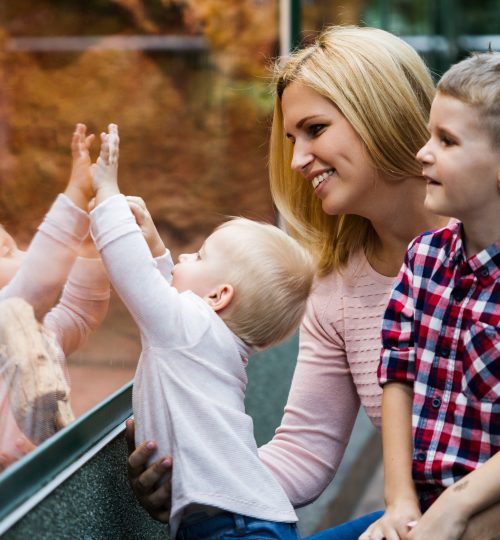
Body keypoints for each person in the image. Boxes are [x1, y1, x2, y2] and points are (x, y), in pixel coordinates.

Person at [124, 26, 500, 539]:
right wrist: (201, 478)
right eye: (291, 139)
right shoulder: (336, 288)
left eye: (315, 129)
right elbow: (305, 451)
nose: (298, 160)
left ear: (379, 113)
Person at [90, 124, 315, 539]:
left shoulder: (190, 332)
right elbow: (166, 294)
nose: (184, 254)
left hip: (232, 527)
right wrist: (157, 247)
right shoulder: (211, 342)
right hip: (250, 519)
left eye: (201, 254)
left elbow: (135, 277)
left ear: (218, 296)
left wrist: (107, 195)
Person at [360, 52, 500, 540]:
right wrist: (398, 502)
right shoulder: (423, 258)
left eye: (447, 140)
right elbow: (397, 374)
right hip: (421, 505)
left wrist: (458, 508)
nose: (423, 152)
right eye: (429, 134)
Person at [0, 123, 111, 470]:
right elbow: (35, 284)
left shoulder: (41, 329)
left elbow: (80, 314)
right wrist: (75, 196)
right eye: (6, 251)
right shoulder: (6, 319)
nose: (23, 253)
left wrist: (90, 247)